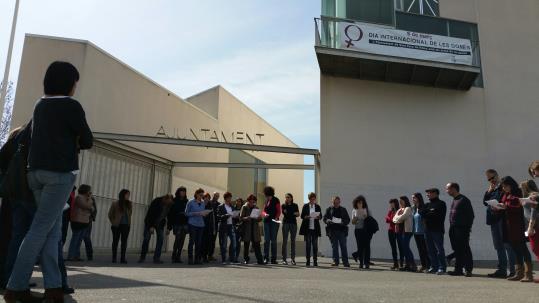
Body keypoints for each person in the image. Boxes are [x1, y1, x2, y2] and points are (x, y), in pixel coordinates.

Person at [4, 61, 93, 303]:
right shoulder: (72, 106)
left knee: (52, 233)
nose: (76, 86)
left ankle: (54, 288)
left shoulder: (39, 105)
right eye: (75, 82)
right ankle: (15, 287)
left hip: (35, 174)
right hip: (60, 174)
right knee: (38, 231)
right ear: (69, 83)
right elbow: (87, 139)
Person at [493, 176, 534, 282]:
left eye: (505, 186)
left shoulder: (518, 193)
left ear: (511, 185)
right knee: (515, 249)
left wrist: (506, 207)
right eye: (503, 186)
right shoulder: (505, 194)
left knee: (522, 248)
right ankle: (518, 272)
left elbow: (522, 208)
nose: (504, 188)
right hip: (507, 226)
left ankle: (528, 274)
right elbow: (505, 206)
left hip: (518, 226)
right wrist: (497, 207)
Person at [483, 169, 516, 278]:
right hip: (493, 220)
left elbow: (506, 200)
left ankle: (513, 270)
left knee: (507, 245)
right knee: (498, 246)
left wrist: (498, 205)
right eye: (489, 179)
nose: (491, 181)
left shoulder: (503, 187)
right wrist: (489, 191)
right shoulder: (492, 189)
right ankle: (502, 270)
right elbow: (485, 202)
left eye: (492, 178)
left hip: (502, 219)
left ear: (497, 175)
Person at [445, 183, 475, 277]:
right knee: (458, 249)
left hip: (462, 229)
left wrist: (467, 228)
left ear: (454, 189)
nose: (446, 191)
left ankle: (468, 270)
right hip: (453, 228)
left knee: (465, 249)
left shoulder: (464, 200)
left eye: (448, 189)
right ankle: (458, 270)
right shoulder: (455, 200)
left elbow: (471, 216)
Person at [138, 194, 173, 264]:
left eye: (170, 202)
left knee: (160, 239)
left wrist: (169, 228)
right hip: (150, 222)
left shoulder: (170, 205)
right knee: (146, 239)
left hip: (160, 224)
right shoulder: (156, 201)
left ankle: (156, 258)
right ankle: (142, 257)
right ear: (165, 199)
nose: (169, 203)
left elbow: (170, 216)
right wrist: (151, 226)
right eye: (168, 201)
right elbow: (150, 214)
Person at [420, 188, 447, 275]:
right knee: (430, 250)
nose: (427, 195)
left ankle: (442, 268)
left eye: (429, 193)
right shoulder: (427, 204)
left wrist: (428, 213)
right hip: (427, 230)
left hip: (437, 230)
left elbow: (436, 215)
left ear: (435, 194)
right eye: (427, 193)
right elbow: (421, 213)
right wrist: (429, 212)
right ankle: (434, 267)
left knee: (439, 250)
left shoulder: (441, 204)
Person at [67, 185, 95, 262]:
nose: (90, 192)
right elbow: (86, 206)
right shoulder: (79, 197)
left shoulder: (88, 198)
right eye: (89, 190)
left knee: (79, 240)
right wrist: (90, 202)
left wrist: (90, 200)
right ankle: (71, 255)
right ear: (86, 190)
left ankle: (76, 255)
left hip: (85, 221)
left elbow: (92, 207)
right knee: (75, 239)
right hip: (77, 221)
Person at [519, 180, 539, 283]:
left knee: (536, 248)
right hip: (532, 226)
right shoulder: (528, 197)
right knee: (536, 249)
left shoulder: (533, 196)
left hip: (535, 226)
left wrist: (530, 226)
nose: (521, 190)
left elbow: (534, 212)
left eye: (522, 188)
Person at [323, 196, 351, 267]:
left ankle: (345, 262)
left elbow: (348, 220)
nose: (336, 204)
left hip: (342, 231)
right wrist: (327, 220)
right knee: (334, 247)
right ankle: (335, 261)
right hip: (332, 231)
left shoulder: (343, 209)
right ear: (332, 202)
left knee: (343, 246)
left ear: (339, 202)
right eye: (334, 202)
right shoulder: (329, 209)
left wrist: (342, 222)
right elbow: (324, 218)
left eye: (337, 202)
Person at [108, 189, 132, 264]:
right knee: (115, 241)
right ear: (123, 195)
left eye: (129, 194)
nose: (128, 196)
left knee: (124, 242)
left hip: (126, 226)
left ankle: (122, 258)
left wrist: (128, 223)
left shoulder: (129, 204)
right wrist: (114, 222)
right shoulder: (115, 203)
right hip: (116, 226)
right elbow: (110, 214)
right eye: (127, 194)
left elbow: (130, 214)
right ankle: (114, 258)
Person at [393, 196, 416, 272]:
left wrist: (397, 219)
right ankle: (407, 265)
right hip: (400, 231)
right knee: (404, 248)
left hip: (407, 231)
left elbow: (403, 217)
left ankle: (413, 265)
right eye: (400, 201)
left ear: (405, 201)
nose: (400, 202)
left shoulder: (408, 208)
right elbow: (394, 218)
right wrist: (397, 219)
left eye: (402, 200)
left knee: (406, 247)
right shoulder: (400, 209)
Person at [185, 188, 208, 265]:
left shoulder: (203, 203)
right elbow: (186, 213)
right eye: (200, 195)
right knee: (192, 241)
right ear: (196, 194)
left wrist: (205, 213)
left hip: (201, 224)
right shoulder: (190, 202)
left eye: (202, 195)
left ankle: (197, 259)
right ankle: (190, 258)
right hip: (192, 224)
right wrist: (196, 213)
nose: (201, 197)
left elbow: (202, 213)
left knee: (199, 242)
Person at [240, 194, 264, 265]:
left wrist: (258, 218)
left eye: (254, 202)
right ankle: (246, 259)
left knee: (257, 245)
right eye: (251, 201)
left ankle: (260, 260)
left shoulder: (256, 207)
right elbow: (240, 218)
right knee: (246, 245)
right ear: (248, 201)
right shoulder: (244, 207)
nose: (252, 203)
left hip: (255, 229)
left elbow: (260, 218)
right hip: (247, 229)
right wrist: (246, 218)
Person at [167, 187, 189, 263]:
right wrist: (169, 226)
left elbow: (189, 212)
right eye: (181, 191)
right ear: (178, 192)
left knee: (182, 240)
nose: (183, 193)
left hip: (185, 223)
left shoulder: (187, 201)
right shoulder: (174, 201)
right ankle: (174, 255)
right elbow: (170, 214)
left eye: (184, 192)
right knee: (177, 239)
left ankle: (178, 256)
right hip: (177, 223)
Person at [299, 192, 322, 267]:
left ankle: (315, 261)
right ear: (309, 199)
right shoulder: (305, 206)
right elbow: (302, 216)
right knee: (308, 245)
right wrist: (307, 217)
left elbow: (320, 216)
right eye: (311, 199)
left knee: (315, 246)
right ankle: (308, 261)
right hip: (307, 228)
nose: (313, 200)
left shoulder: (318, 206)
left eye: (314, 199)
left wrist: (318, 217)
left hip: (315, 229)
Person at [216, 192, 238, 264]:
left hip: (231, 226)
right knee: (224, 244)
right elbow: (218, 217)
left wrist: (236, 216)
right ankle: (223, 259)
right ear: (225, 198)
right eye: (228, 198)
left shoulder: (232, 207)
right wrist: (225, 215)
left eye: (230, 198)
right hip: (224, 226)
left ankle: (232, 258)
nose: (230, 199)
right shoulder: (221, 206)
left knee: (234, 243)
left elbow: (234, 216)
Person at [351, 195, 372, 269]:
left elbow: (370, 220)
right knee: (359, 246)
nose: (360, 204)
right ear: (356, 203)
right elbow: (353, 222)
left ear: (363, 203)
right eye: (358, 203)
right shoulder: (354, 210)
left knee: (367, 247)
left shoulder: (367, 210)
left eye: (361, 203)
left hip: (366, 230)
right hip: (358, 230)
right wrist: (356, 218)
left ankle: (366, 263)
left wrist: (366, 217)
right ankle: (361, 263)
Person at [412, 193, 430, 272]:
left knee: (425, 250)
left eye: (414, 198)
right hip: (416, 232)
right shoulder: (414, 208)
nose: (413, 199)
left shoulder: (423, 207)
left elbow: (425, 219)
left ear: (419, 198)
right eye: (412, 198)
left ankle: (428, 266)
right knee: (420, 250)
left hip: (422, 232)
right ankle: (423, 265)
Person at [262, 186, 281, 264]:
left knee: (273, 241)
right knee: (266, 240)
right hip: (266, 222)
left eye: (265, 193)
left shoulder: (276, 200)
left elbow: (279, 211)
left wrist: (276, 218)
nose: (265, 195)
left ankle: (273, 259)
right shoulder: (266, 201)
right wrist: (265, 214)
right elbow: (263, 211)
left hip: (274, 222)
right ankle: (266, 258)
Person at [281, 193, 299, 265]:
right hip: (285, 223)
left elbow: (298, 214)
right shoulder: (283, 205)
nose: (287, 198)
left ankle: (293, 259)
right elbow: (285, 213)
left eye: (288, 197)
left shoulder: (295, 205)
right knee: (285, 241)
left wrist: (292, 213)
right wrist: (293, 213)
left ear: (291, 198)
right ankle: (284, 259)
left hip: (293, 224)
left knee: (293, 241)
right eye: (286, 197)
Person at [385, 199, 403, 270]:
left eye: (392, 203)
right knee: (393, 248)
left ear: (395, 203)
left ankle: (401, 263)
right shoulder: (391, 211)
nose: (391, 205)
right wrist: (391, 219)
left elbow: (397, 220)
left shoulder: (399, 210)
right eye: (390, 203)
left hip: (398, 231)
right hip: (391, 230)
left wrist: (391, 219)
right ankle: (395, 264)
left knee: (400, 247)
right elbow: (387, 220)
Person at [201, 193, 216, 263]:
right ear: (203, 198)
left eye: (208, 198)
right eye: (205, 197)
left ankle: (205, 256)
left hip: (209, 227)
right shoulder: (201, 205)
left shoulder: (211, 206)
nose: (207, 199)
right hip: (201, 226)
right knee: (201, 242)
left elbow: (213, 218)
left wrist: (213, 228)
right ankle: (200, 256)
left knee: (208, 243)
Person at [81, 196, 96, 261]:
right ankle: (89, 255)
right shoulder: (82, 198)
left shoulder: (90, 198)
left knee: (86, 237)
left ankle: (89, 255)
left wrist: (92, 217)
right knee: (83, 237)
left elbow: (94, 209)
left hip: (87, 220)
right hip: (83, 220)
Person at [206, 192, 220, 262]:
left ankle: (210, 255)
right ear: (213, 196)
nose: (216, 197)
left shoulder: (219, 205)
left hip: (215, 225)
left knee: (213, 241)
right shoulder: (209, 203)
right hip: (208, 225)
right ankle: (205, 255)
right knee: (207, 240)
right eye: (215, 195)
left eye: (217, 196)